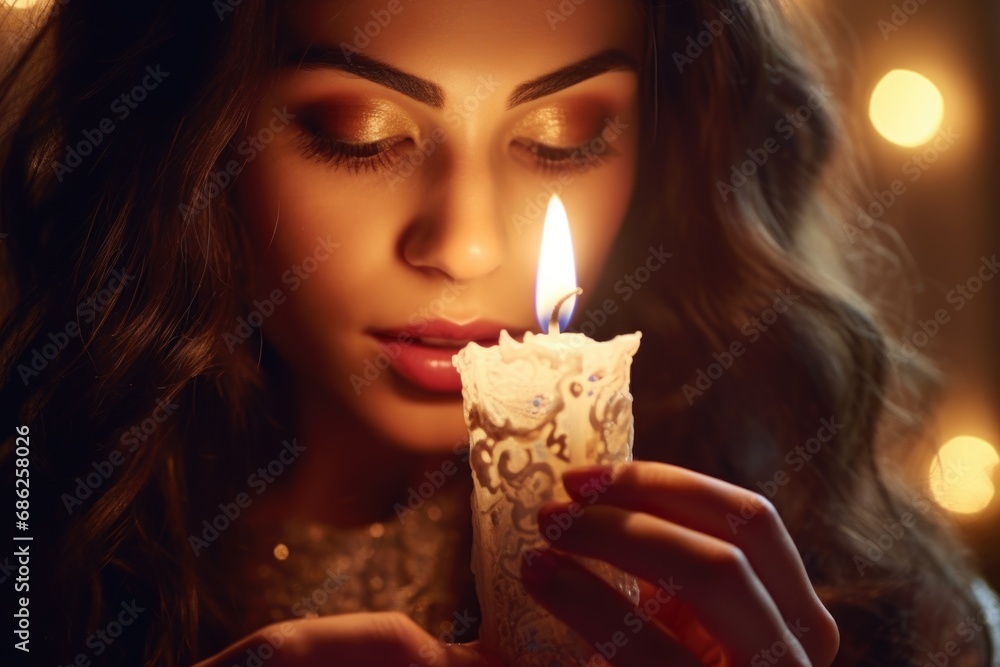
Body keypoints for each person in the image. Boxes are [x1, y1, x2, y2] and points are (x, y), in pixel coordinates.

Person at [0, 0, 996, 664]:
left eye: (562, 139)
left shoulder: (854, 591)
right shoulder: (37, 537)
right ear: (189, 135)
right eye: (358, 133)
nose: (467, 245)